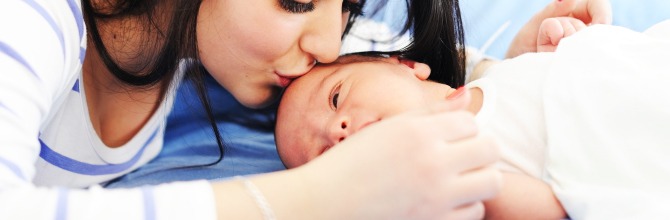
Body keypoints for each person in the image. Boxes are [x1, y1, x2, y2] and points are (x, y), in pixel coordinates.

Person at [0, 0, 609, 219]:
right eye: (295, 1)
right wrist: (318, 197)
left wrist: (517, 72)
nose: (324, 43)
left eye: (340, 9)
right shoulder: (32, 21)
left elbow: (385, 70)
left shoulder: (212, 44)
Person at [274, 20, 670, 219]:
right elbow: (560, 207)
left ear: (408, 66)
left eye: (337, 97)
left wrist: (566, 49)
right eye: (326, 157)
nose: (336, 130)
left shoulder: (499, 74)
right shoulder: (455, 175)